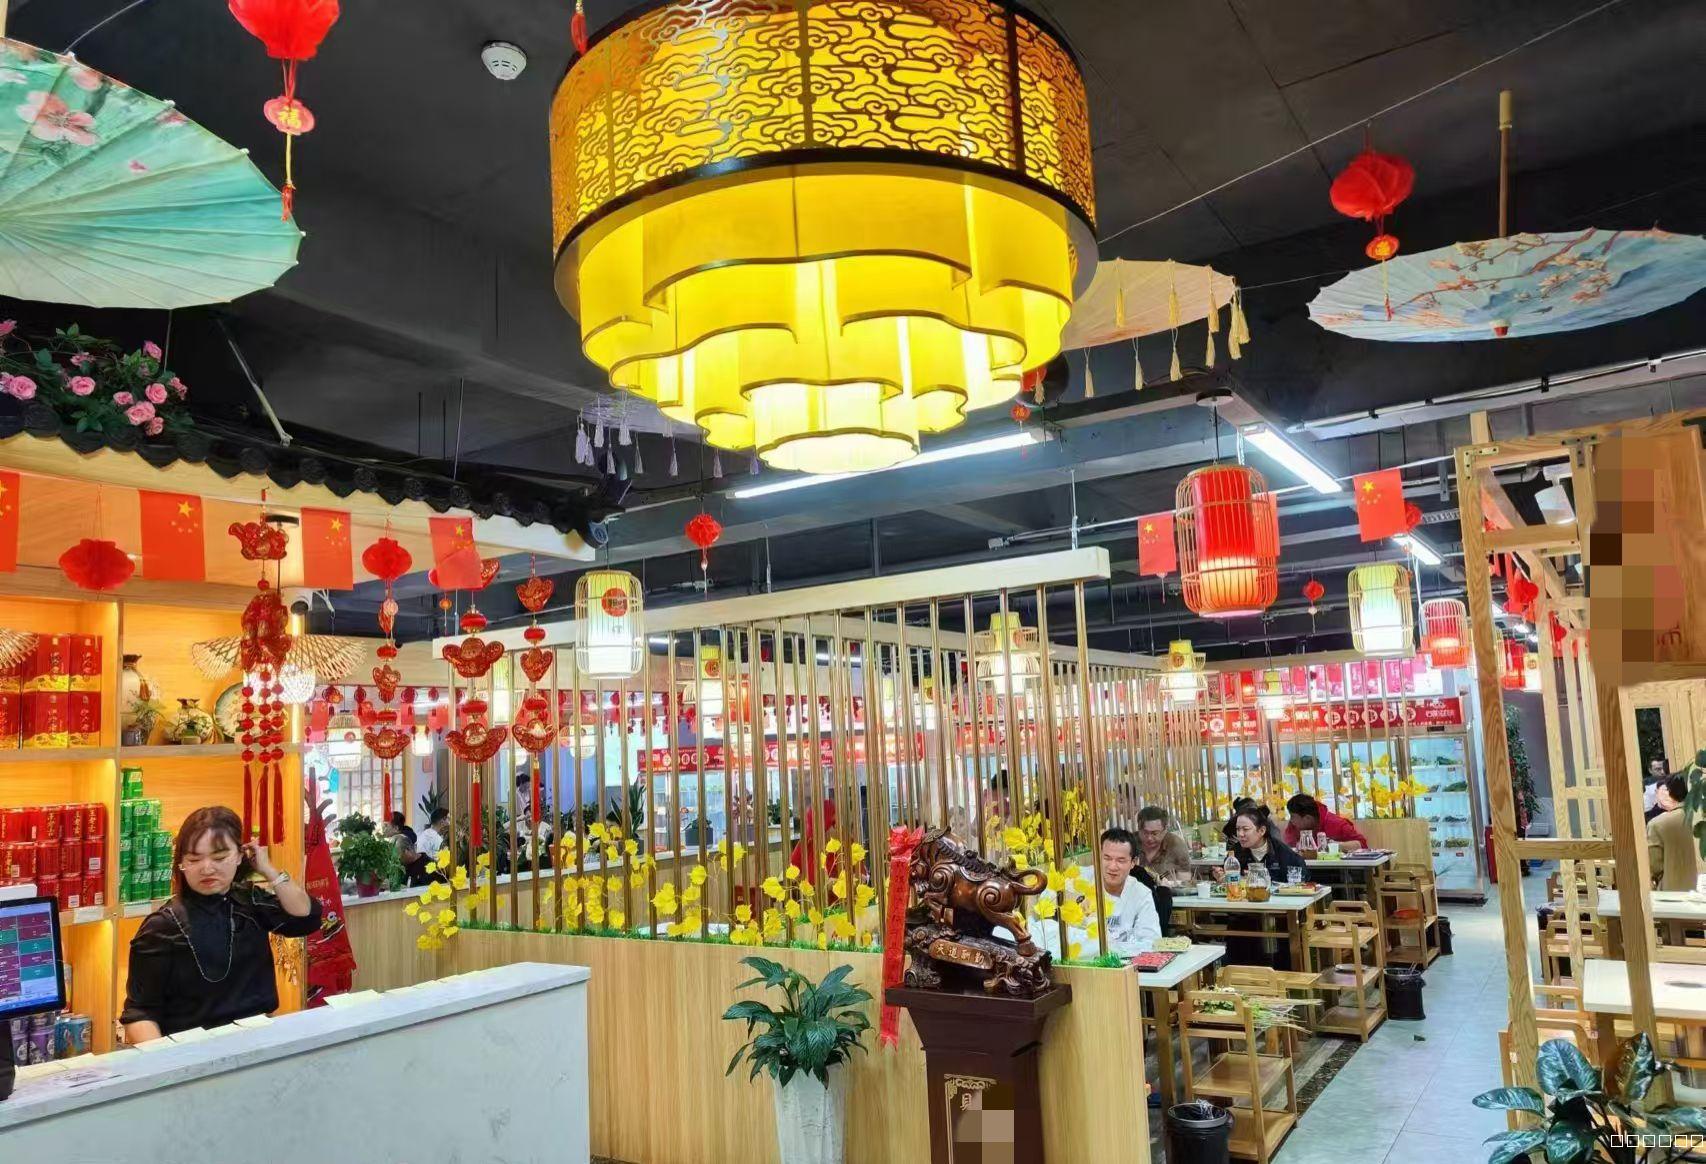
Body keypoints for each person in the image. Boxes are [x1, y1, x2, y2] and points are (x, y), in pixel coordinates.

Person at [120, 806, 322, 1043]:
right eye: (194, 859)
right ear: (181, 863)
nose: (207, 869)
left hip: (260, 1039)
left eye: (219, 858)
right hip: (191, 1049)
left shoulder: (251, 901)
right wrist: (167, 1060)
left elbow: (305, 918)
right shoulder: (162, 926)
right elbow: (140, 1013)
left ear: (240, 855)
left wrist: (268, 870)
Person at [1097, 827, 1161, 956]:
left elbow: (1151, 942)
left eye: (1121, 860)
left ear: (1133, 862)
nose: (1112, 867)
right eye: (1107, 858)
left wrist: (1113, 948)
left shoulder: (1141, 893)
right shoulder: (1078, 883)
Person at [1216, 805, 1308, 885]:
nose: (1240, 834)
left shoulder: (1283, 853)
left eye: (1245, 829)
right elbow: (1228, 878)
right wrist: (1221, 876)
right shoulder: (1235, 852)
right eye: (1238, 829)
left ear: (1262, 831)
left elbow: (1301, 879)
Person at [1648, 772, 1699, 892]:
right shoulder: (1700, 817)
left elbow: (1653, 866)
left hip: (1674, 895)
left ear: (1671, 793)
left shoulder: (1658, 824)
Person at [1283, 793, 1367, 853]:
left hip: (1336, 869)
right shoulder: (1293, 826)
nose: (1291, 820)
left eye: (1293, 816)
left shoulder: (1336, 823)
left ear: (1307, 818)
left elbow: (1362, 844)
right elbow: (1287, 848)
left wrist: (1336, 846)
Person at [1135, 806, 1192, 886]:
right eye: (1145, 833)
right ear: (1139, 829)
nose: (1149, 838)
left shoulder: (1175, 844)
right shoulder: (1130, 844)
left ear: (1165, 830)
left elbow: (1185, 877)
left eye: (1155, 833)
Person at [1645, 758, 1672, 823]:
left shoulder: (1672, 781)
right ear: (1650, 770)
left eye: (1664, 768)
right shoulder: (1646, 787)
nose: (1662, 772)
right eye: (1658, 769)